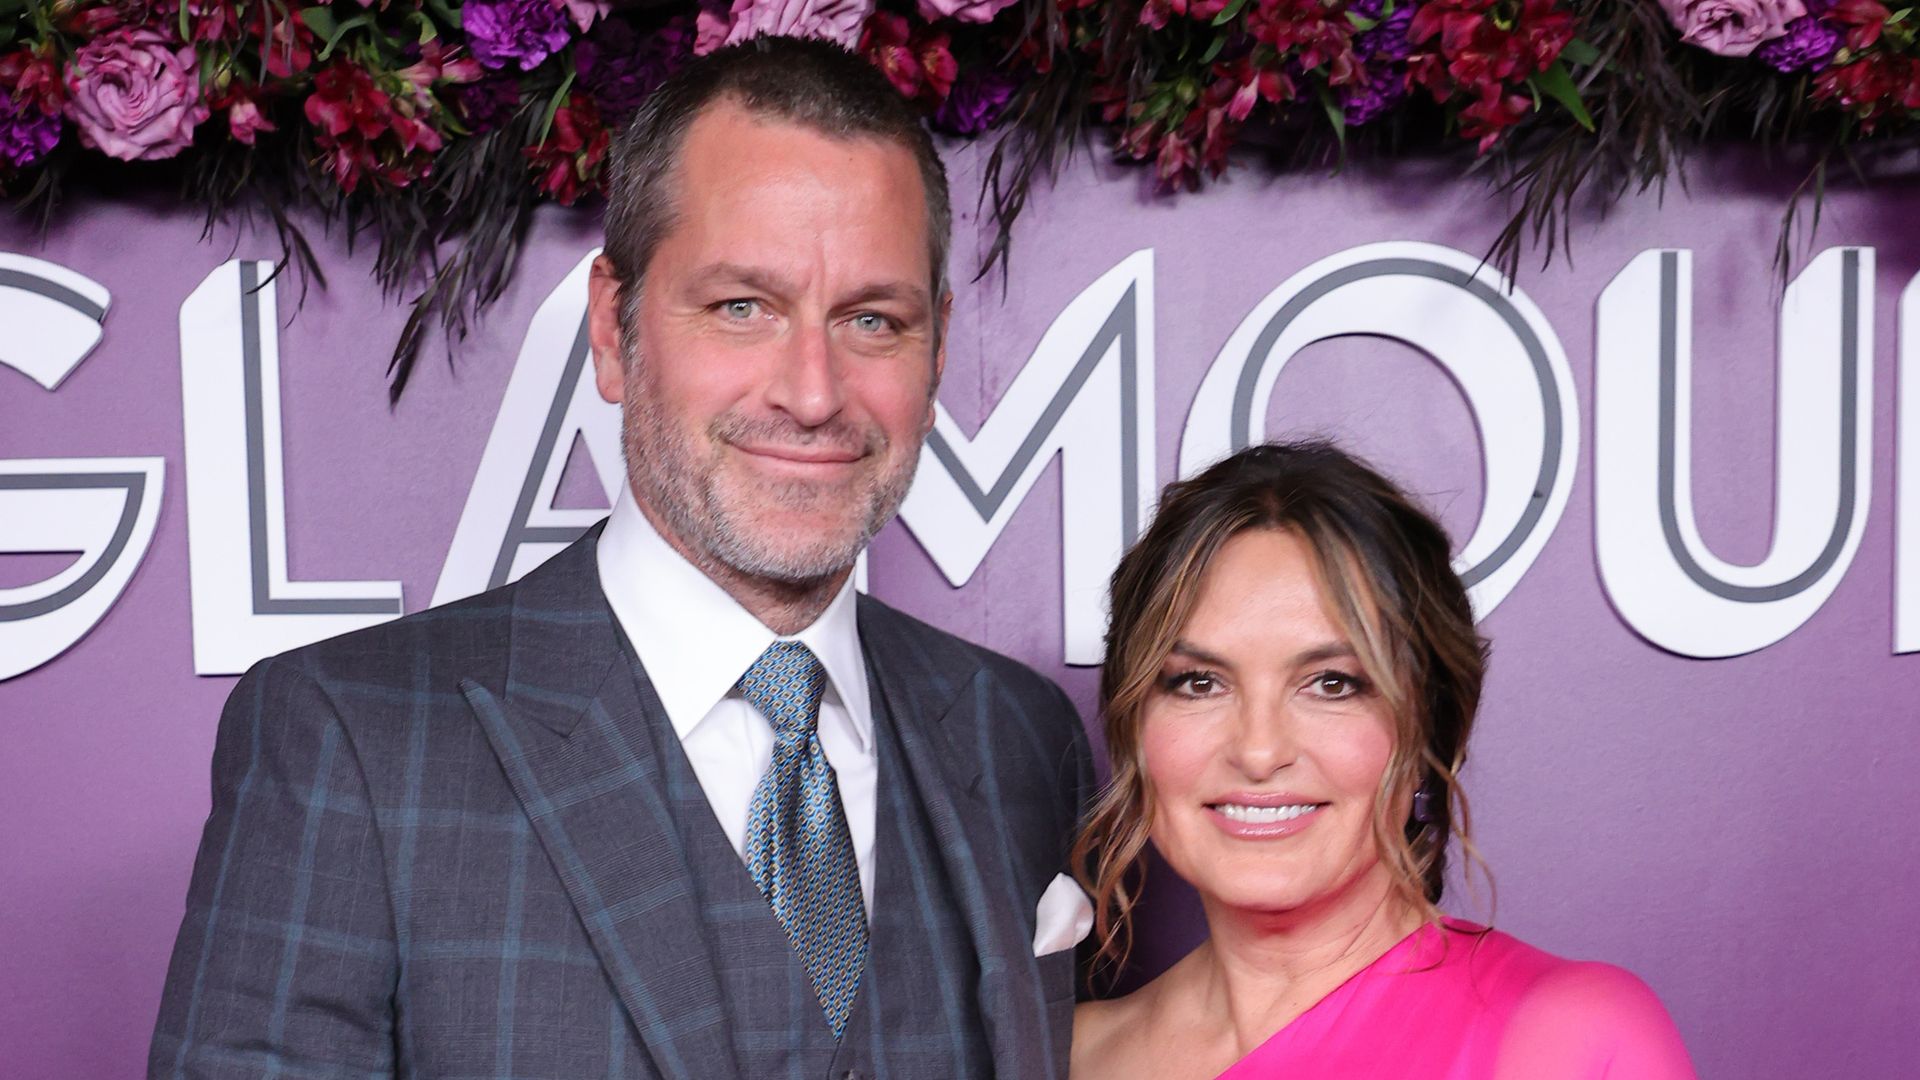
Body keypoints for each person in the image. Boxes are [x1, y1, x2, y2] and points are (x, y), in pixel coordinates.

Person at [150, 38, 1092, 1080]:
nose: (814, 394)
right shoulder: (353, 742)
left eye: (874, 319)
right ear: (614, 325)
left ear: (938, 344)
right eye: (744, 307)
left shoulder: (1018, 738)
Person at [1069, 441, 1695, 1080]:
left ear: (1427, 725)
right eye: (1199, 682)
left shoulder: (1570, 1039)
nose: (1258, 750)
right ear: (1133, 721)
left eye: (1332, 684)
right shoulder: (1069, 1054)